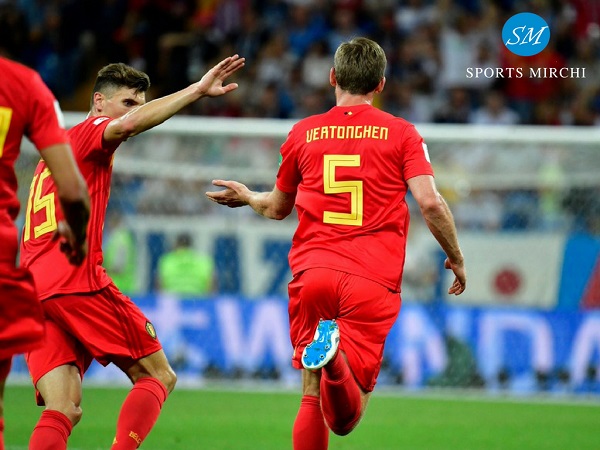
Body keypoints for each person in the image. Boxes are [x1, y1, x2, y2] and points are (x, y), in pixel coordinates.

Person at [206, 37, 466, 450]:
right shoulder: (402, 134)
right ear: (380, 84)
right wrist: (455, 257)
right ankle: (336, 362)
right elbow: (431, 203)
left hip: (313, 275)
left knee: (310, 395)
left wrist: (248, 196)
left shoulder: (303, 132)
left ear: (332, 78)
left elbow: (276, 208)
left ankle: (327, 359)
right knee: (345, 419)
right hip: (370, 280)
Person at [20, 54, 245, 450]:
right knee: (159, 376)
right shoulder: (90, 132)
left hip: (35, 292)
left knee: (63, 407)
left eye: (140, 104)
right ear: (98, 102)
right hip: (74, 282)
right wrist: (196, 89)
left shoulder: (49, 158)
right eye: (128, 102)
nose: (135, 114)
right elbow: (125, 126)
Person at [0, 10, 90, 447]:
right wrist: (76, 230)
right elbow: (72, 188)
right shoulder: (24, 86)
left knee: (65, 403)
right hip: (8, 261)